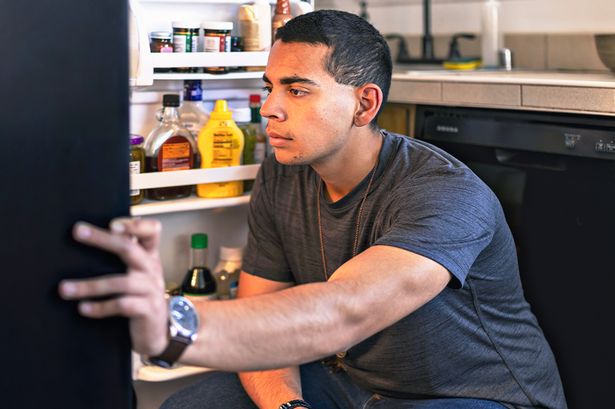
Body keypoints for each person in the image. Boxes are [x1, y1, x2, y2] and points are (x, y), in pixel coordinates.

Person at [59, 9, 566, 409]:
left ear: (364, 105)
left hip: (469, 397)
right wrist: (290, 406)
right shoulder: (285, 171)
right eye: (269, 86)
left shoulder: (444, 193)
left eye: (297, 90)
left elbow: (346, 310)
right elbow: (261, 309)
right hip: (349, 385)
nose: (269, 108)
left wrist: (174, 326)